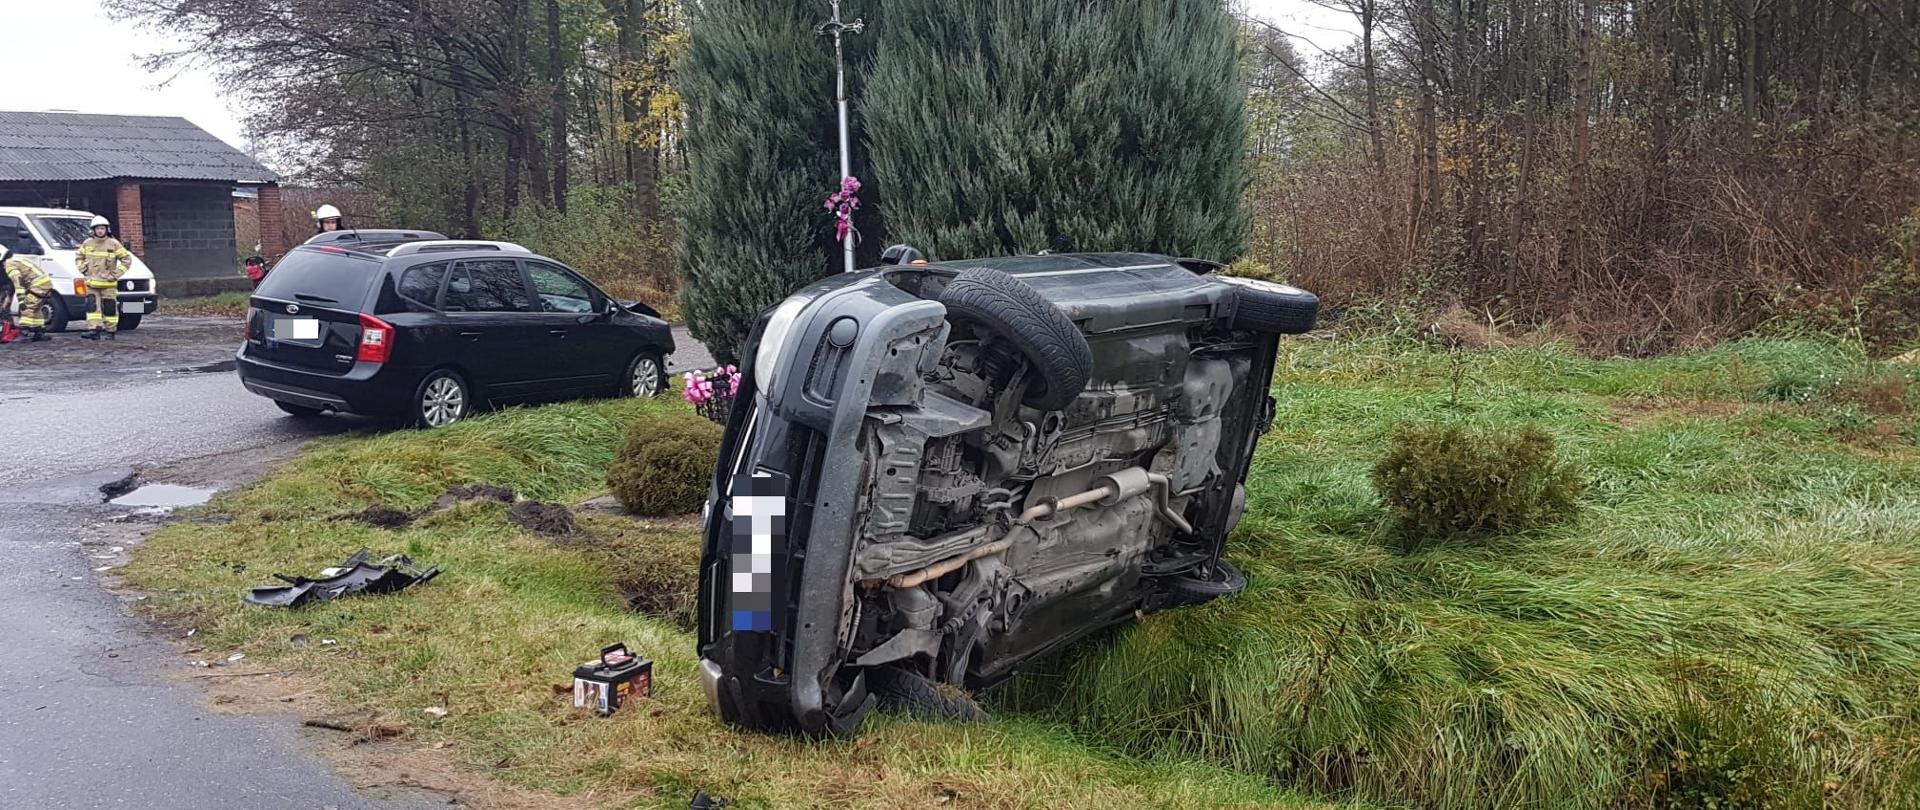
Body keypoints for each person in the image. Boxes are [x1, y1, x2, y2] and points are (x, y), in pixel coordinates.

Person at [75, 215, 131, 340]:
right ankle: (94, 330)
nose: (100, 231)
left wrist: (115, 274)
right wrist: (83, 269)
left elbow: (126, 260)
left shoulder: (114, 244)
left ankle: (111, 331)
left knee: (110, 308)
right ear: (93, 230)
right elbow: (79, 257)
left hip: (108, 284)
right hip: (91, 283)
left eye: (102, 228)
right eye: (98, 228)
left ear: (107, 230)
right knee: (92, 307)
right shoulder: (87, 243)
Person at [2, 243, 55, 342]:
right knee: (36, 309)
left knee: (27, 307)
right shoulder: (15, 260)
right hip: (44, 284)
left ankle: (24, 333)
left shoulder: (9, 265)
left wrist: (21, 300)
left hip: (38, 286)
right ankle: (39, 332)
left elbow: (18, 282)